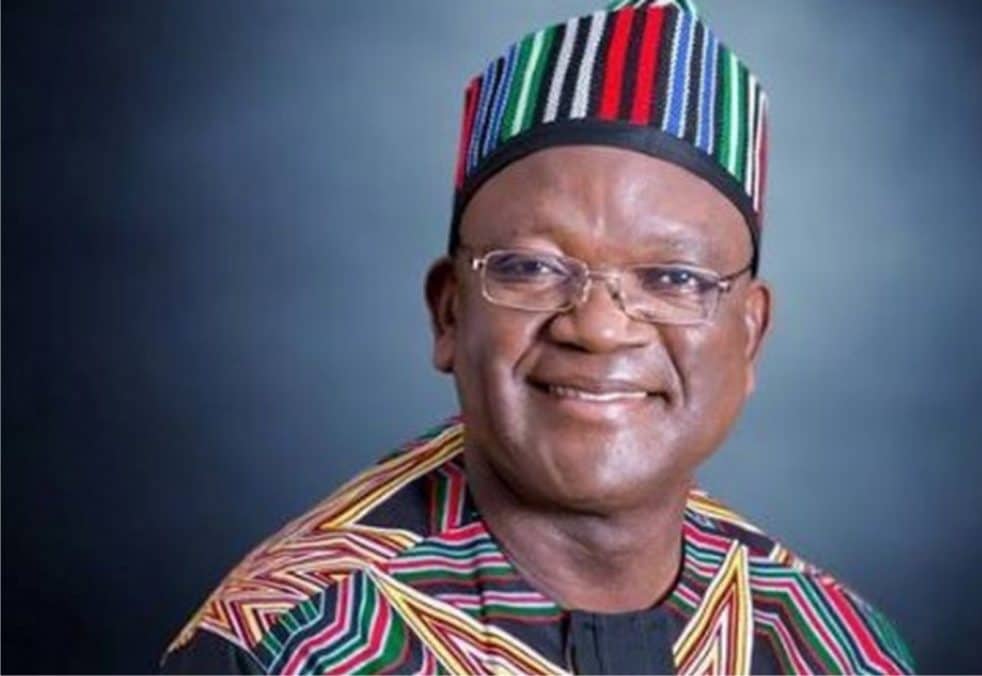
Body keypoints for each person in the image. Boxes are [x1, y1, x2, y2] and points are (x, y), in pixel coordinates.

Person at [162, 1, 915, 673]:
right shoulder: (294, 645)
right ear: (449, 314)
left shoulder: (834, 646)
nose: (598, 326)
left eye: (672, 278)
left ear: (749, 336)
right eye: (532, 268)